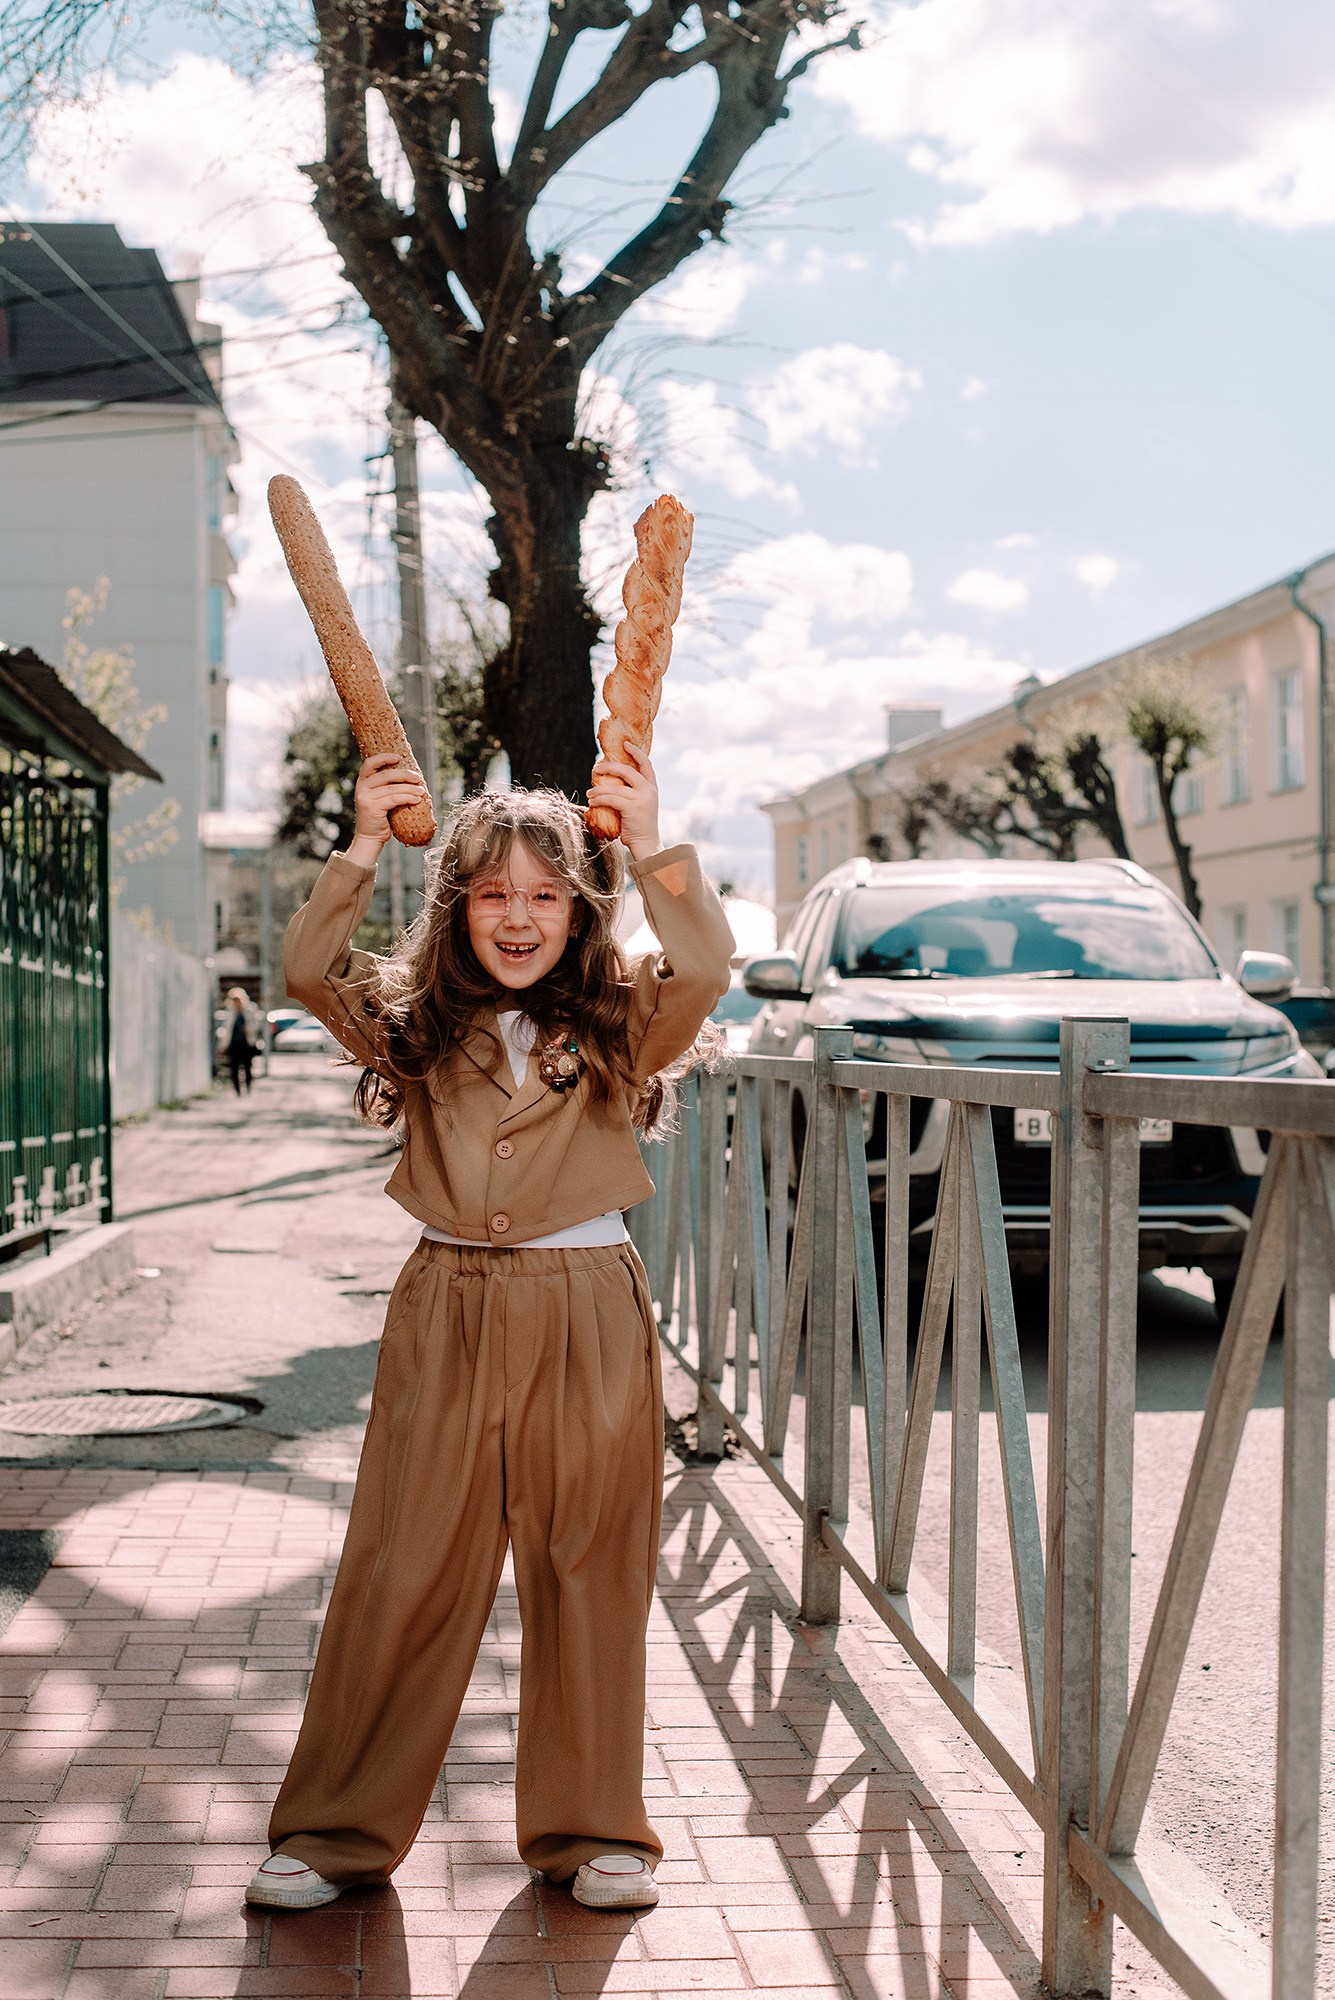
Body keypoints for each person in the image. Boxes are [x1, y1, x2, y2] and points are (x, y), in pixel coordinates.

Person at [245, 742, 732, 1917]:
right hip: (448, 1309)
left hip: (587, 1312)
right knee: (403, 1564)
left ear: (580, 908)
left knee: (588, 1564)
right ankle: (335, 1828)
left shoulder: (620, 1024)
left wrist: (654, 836)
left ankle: (594, 1829)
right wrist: (365, 839)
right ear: (456, 909)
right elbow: (308, 965)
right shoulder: (413, 1024)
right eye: (492, 894)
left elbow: (709, 962)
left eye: (546, 893)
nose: (518, 917)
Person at [223, 988, 256, 1096]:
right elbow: (226, 1031)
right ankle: (237, 1091)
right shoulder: (230, 1012)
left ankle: (248, 1087)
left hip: (247, 1043)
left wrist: (248, 1028)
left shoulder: (250, 1010)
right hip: (234, 1044)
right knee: (234, 1068)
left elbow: (257, 1025)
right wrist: (223, 1046)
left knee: (247, 1067)